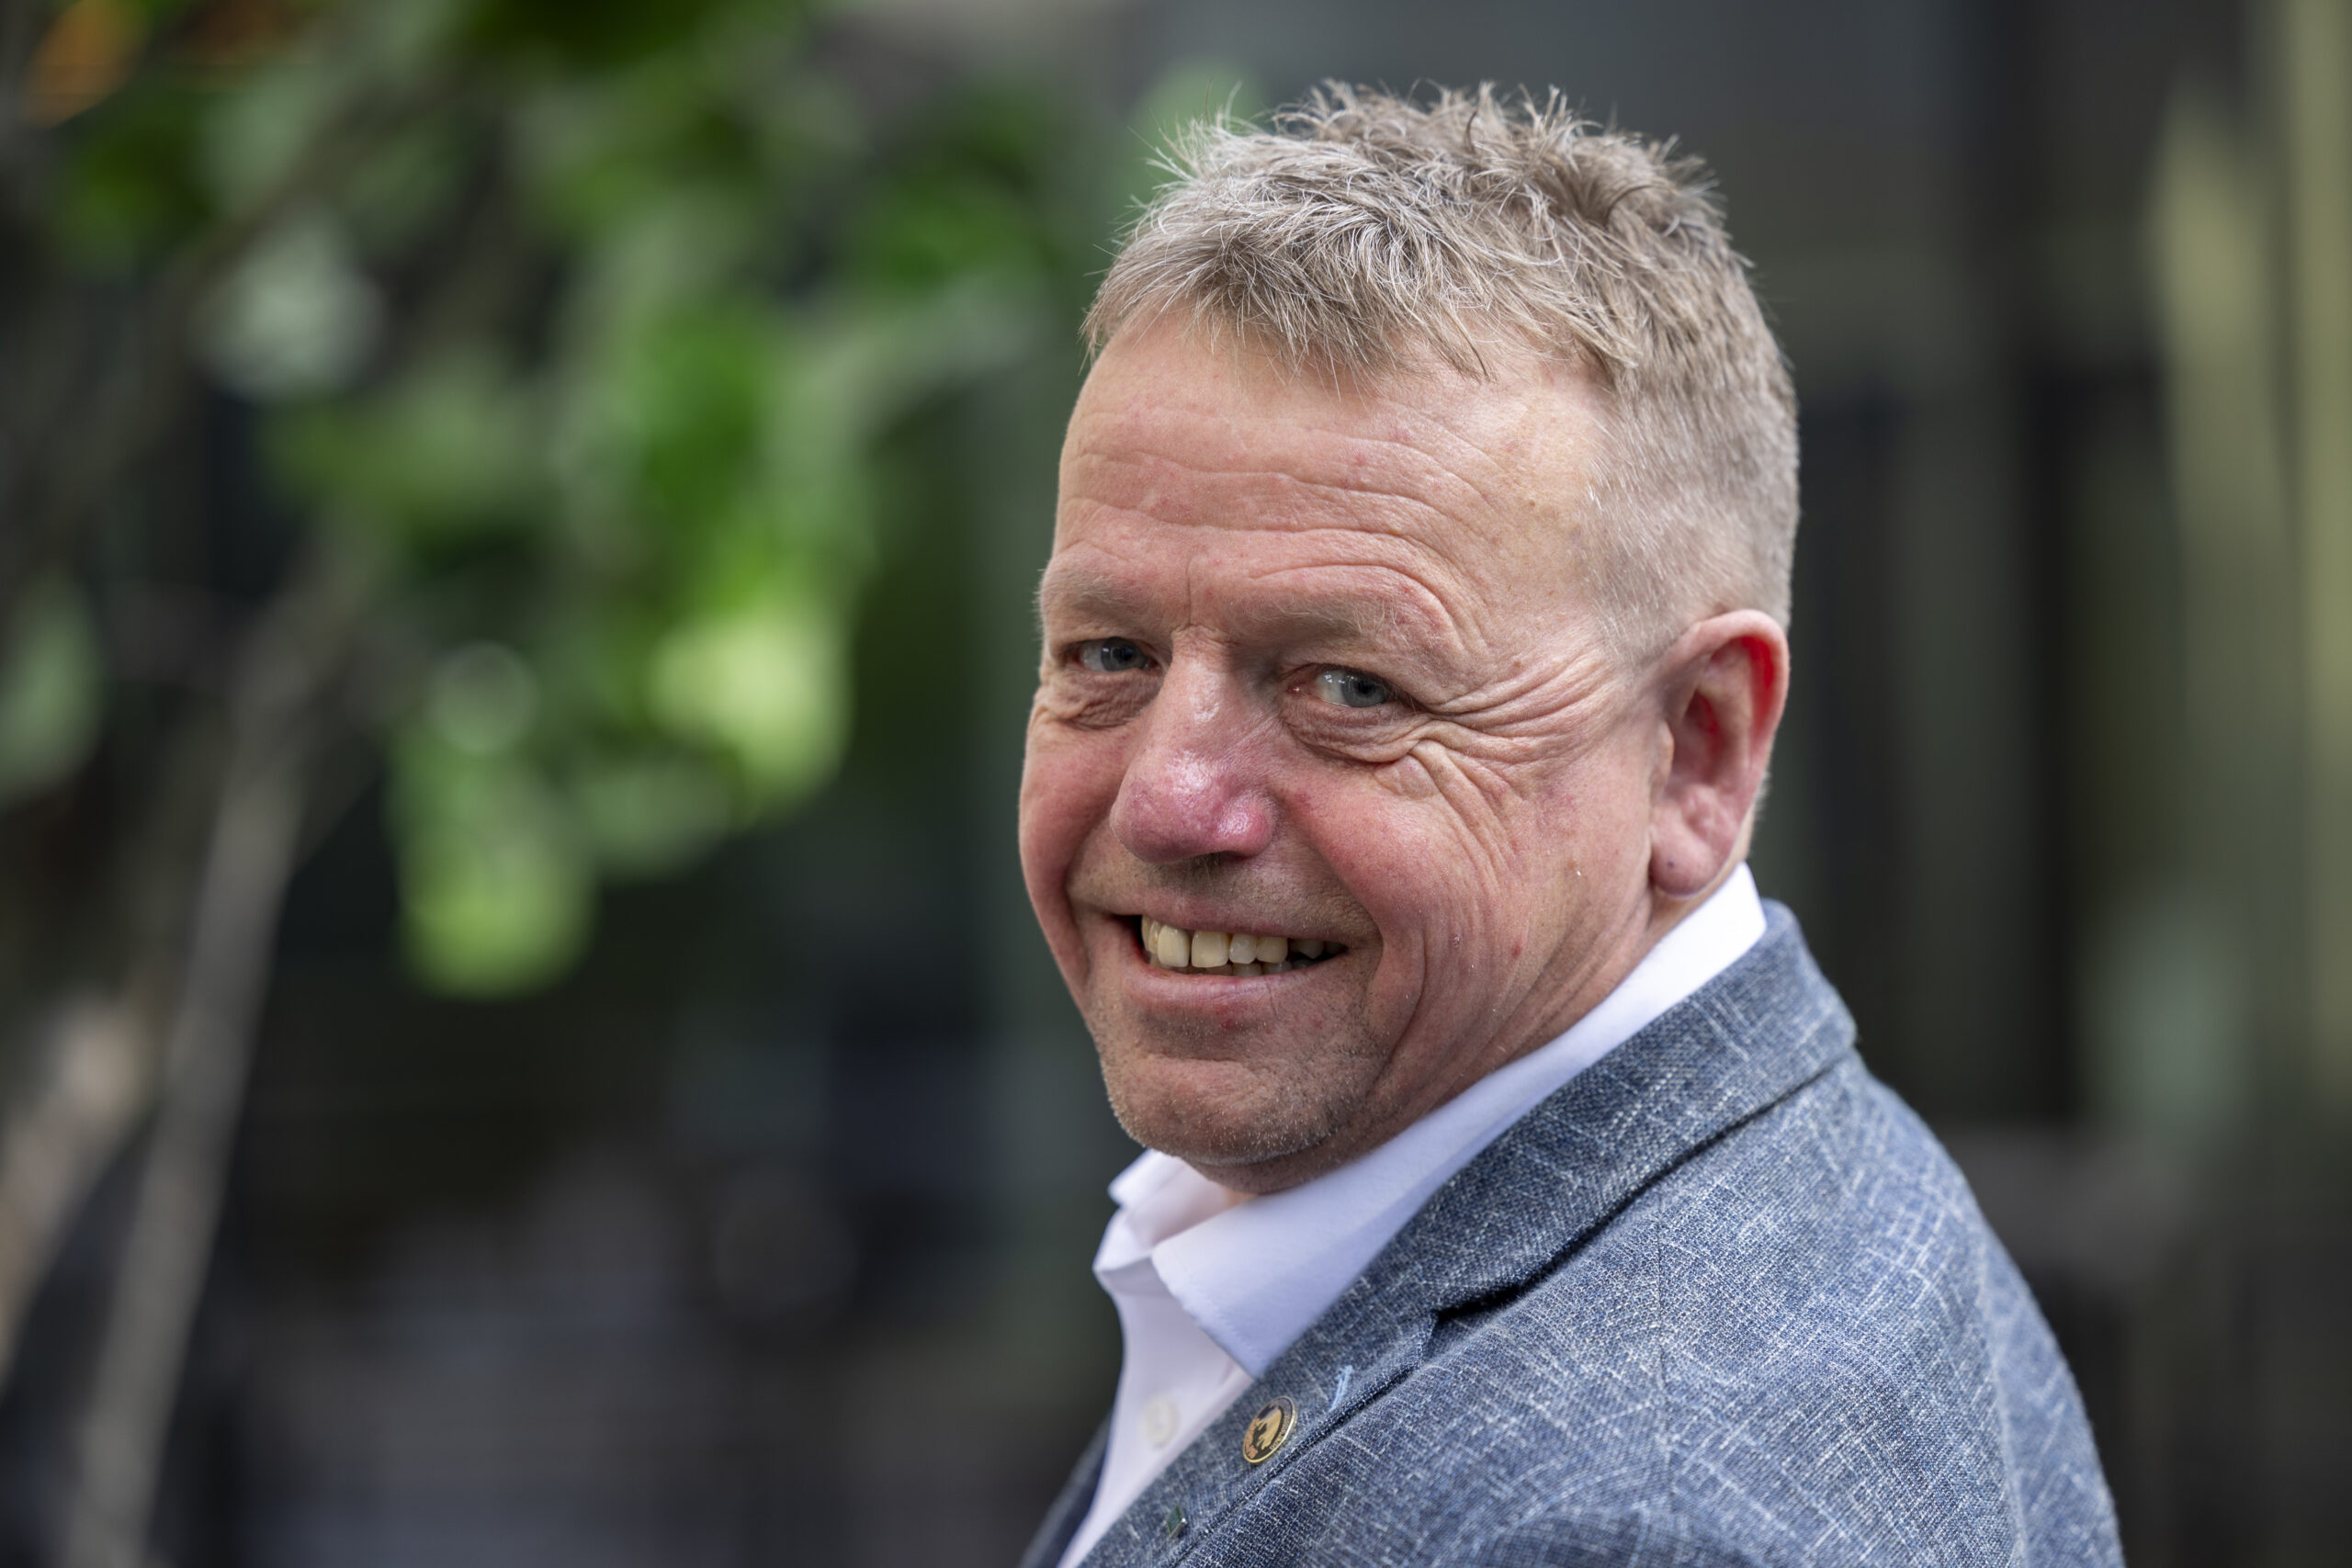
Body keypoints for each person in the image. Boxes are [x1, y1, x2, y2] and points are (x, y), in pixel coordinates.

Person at [1014, 85, 2120, 1568]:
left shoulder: (1639, 1524)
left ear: (1696, 751)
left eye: (1350, 685)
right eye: (1108, 655)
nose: (1167, 798)